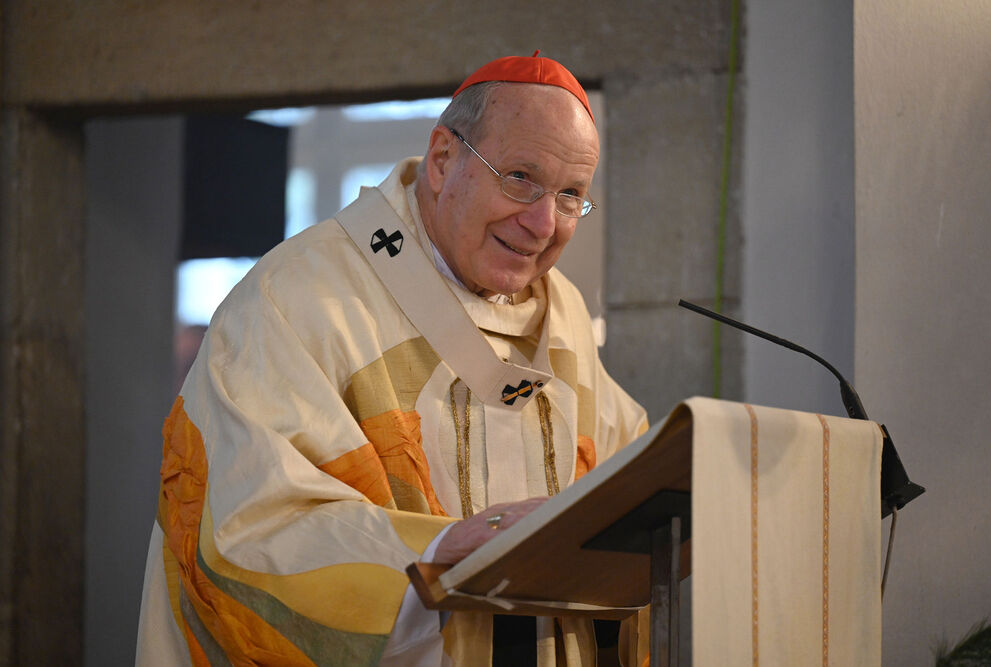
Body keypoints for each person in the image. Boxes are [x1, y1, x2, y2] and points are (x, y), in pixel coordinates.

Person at [136, 53, 648, 666]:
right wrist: (434, 553)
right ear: (443, 159)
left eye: (570, 196)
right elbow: (243, 527)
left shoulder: (561, 312)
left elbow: (629, 475)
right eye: (520, 178)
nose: (543, 223)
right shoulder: (299, 297)